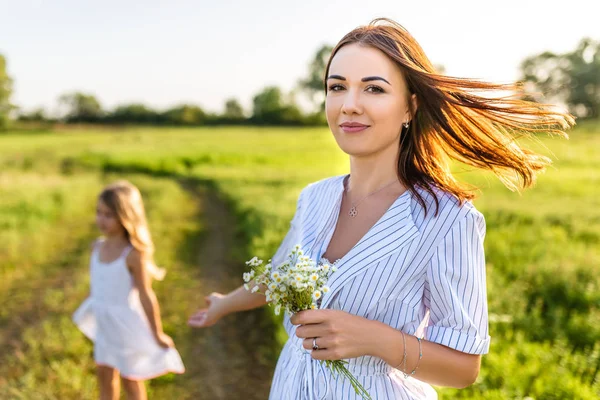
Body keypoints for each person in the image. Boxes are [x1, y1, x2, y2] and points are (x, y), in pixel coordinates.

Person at [188, 18, 573, 399]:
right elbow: (279, 275)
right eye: (336, 87)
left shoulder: (447, 218)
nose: (349, 105)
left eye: (373, 88)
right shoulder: (314, 197)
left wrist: (374, 338)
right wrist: (224, 304)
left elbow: (463, 368)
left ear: (410, 108)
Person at [73, 181, 185, 400]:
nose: (101, 220)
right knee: (104, 377)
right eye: (99, 212)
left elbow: (146, 295)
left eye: (109, 215)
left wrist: (157, 333)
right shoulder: (96, 247)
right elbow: (98, 284)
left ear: (126, 216)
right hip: (105, 326)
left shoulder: (133, 255)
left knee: (131, 380)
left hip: (125, 327)